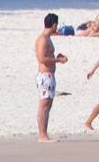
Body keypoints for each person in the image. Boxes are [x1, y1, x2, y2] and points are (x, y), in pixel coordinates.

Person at [36, 13, 68, 143]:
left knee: (47, 105)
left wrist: (57, 57)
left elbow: (47, 55)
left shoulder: (48, 38)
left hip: (49, 75)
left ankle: (44, 134)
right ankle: (42, 135)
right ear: (54, 24)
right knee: (44, 105)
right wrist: (58, 60)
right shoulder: (43, 39)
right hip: (45, 75)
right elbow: (42, 58)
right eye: (57, 24)